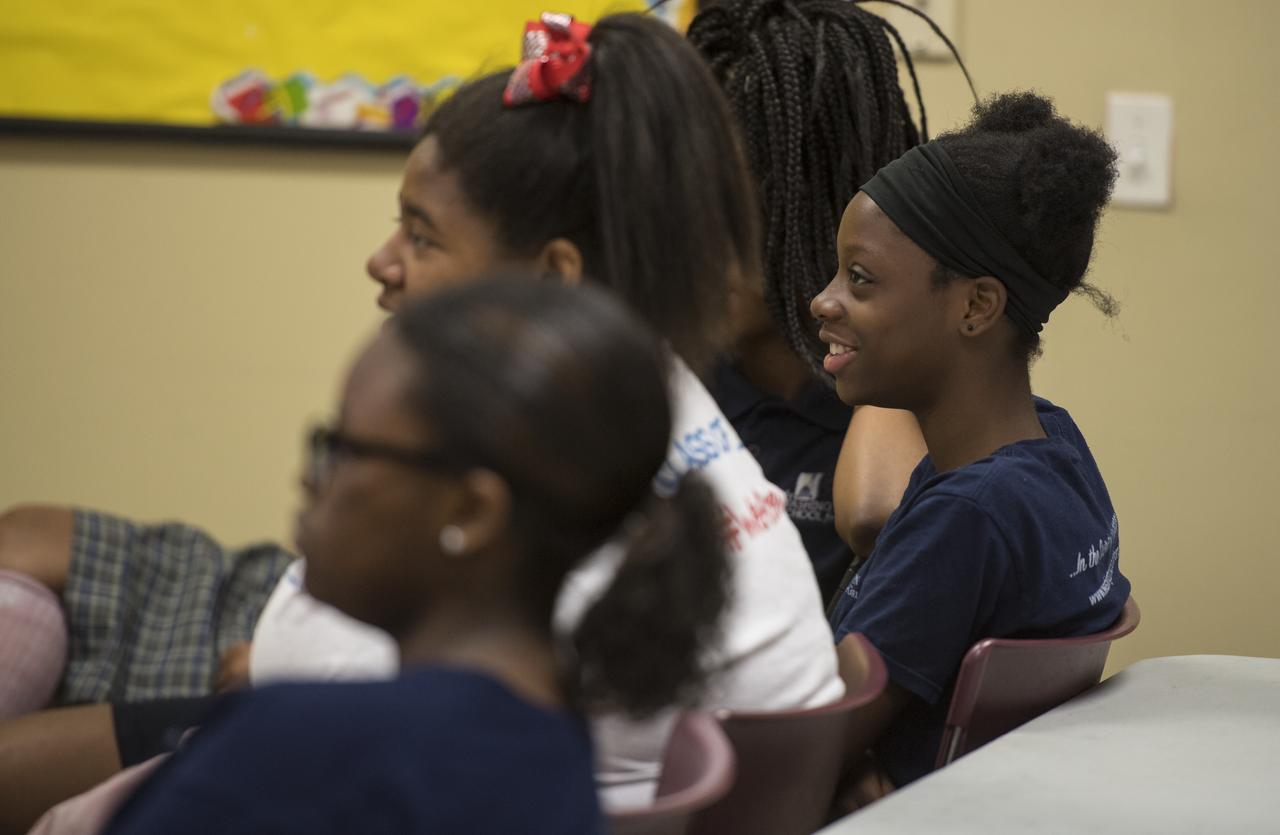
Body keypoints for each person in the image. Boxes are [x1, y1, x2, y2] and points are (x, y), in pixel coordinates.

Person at [0, 10, 841, 828]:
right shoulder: (649, 428)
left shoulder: (511, 561)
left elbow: (312, 703)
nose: (381, 261)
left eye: (422, 234)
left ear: (553, 277)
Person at [98, 276, 729, 833]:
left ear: (469, 512)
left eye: (344, 449)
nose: (311, 480)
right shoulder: (554, 738)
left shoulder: (305, 747)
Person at [815, 91, 1132, 791]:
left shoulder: (968, 519)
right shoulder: (1057, 445)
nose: (824, 299)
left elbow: (811, 747)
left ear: (976, 306)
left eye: (860, 279)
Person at [688, 0, 941, 601]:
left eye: (733, 208)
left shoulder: (916, 406)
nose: (693, 240)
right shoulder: (670, 384)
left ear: (828, 210)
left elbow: (881, 512)